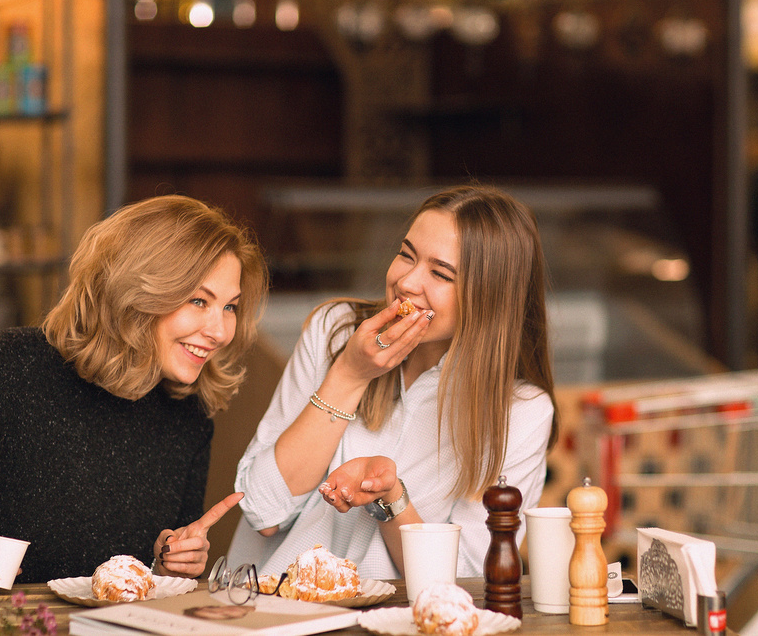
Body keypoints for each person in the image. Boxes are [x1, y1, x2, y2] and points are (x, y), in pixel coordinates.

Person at [0, 194, 268, 593]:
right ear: (135, 291)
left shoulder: (188, 412)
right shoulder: (5, 372)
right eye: (198, 301)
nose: (219, 331)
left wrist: (170, 562)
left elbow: (138, 574)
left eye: (230, 307)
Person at [232, 184, 558, 579]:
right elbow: (263, 511)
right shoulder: (334, 331)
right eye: (406, 254)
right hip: (269, 610)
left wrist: (391, 499)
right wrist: (350, 374)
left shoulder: (521, 411)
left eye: (440, 273)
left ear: (490, 299)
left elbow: (467, 579)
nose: (406, 282)